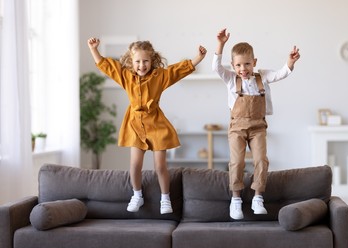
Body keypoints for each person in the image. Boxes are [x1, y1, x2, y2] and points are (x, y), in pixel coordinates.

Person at [88, 37, 207, 214]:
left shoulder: (160, 76)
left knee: (160, 166)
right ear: (131, 61)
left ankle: (165, 198)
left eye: (145, 61)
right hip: (135, 125)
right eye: (137, 61)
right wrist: (94, 49)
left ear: (152, 61)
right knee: (135, 165)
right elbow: (106, 66)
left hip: (157, 124)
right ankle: (137, 195)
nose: (141, 65)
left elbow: (178, 70)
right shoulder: (126, 76)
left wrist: (198, 57)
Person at [212, 28, 300, 220]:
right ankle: (235, 200)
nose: (243, 69)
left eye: (247, 64)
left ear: (254, 63)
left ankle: (257, 197)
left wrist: (290, 63)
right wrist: (221, 44)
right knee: (237, 161)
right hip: (237, 128)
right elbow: (216, 67)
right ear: (233, 66)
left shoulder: (262, 77)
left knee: (261, 160)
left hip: (258, 127)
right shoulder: (230, 79)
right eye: (238, 65)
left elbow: (281, 74)